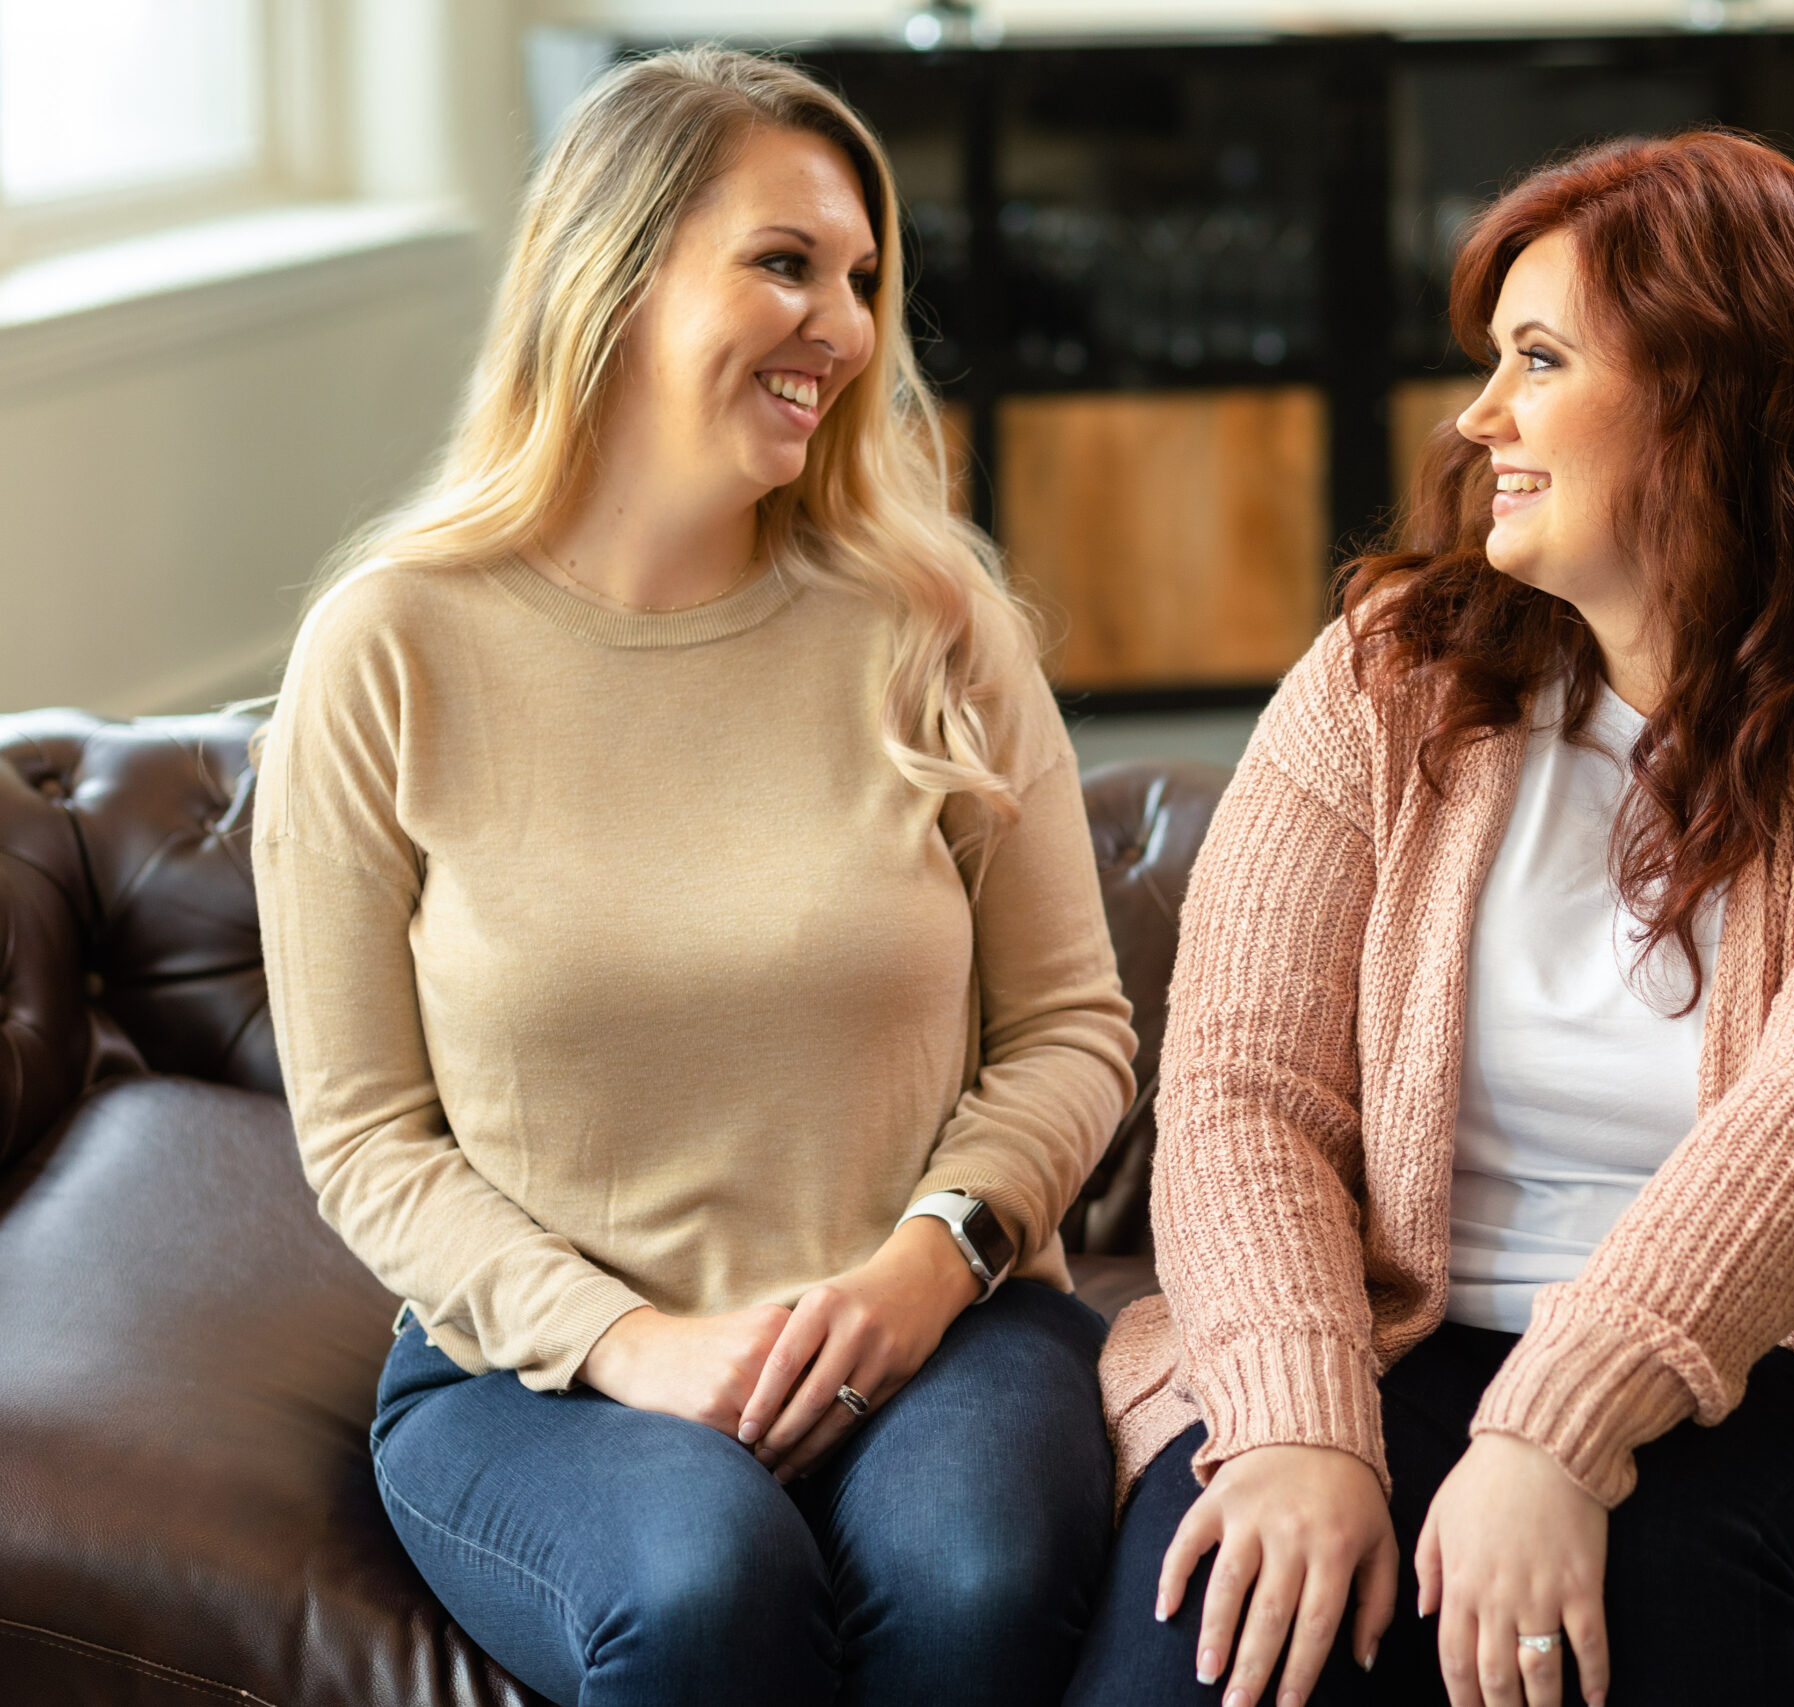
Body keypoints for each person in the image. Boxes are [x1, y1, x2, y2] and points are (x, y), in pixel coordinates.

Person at [1070, 131, 1794, 1707]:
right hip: (1404, 1322)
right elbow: (1246, 1094)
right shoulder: (1390, 677)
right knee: (1219, 1628)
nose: (1478, 417)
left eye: (1538, 359)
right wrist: (1298, 1421)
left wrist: (1552, 1434)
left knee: (1647, 1601)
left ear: (1714, 395)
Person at [252, 48, 1137, 1707]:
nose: (849, 329)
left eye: (865, 278)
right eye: (785, 263)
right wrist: (630, 1345)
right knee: (701, 1584)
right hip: (545, 1378)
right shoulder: (390, 649)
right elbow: (366, 1139)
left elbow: (1075, 1031)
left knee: (973, 1570)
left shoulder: (937, 625)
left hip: (944, 1323)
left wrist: (924, 1265)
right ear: (615, 269)